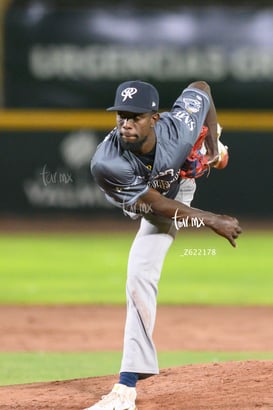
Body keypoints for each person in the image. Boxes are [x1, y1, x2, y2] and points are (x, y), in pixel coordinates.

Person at [84, 80, 242, 410]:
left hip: (178, 189)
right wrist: (210, 219)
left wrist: (212, 142)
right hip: (141, 198)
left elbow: (202, 88)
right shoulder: (106, 162)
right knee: (163, 192)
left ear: (155, 117)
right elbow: (153, 203)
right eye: (120, 116)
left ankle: (125, 388)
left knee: (140, 273)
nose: (125, 123)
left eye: (135, 116)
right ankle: (197, 157)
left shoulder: (179, 127)